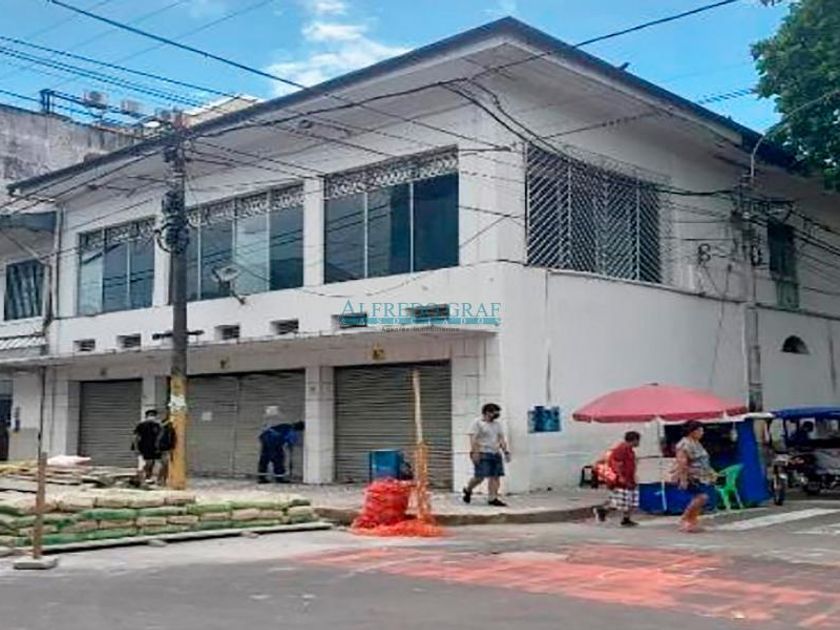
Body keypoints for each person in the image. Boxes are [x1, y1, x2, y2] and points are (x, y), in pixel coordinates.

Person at [462, 402, 511, 507]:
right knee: (480, 477)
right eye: (494, 412)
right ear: (487, 412)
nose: (496, 415)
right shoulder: (477, 423)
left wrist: (505, 451)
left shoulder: (497, 425)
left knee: (495, 476)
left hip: (495, 453)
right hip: (482, 453)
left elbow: (501, 439)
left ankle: (492, 498)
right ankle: (468, 489)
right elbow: (473, 439)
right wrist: (475, 452)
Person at [673, 420, 716, 533]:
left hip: (701, 475)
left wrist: (711, 472)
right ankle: (685, 519)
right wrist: (683, 479)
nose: (702, 433)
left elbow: (703, 460)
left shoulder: (696, 443)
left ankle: (692, 522)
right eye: (700, 430)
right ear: (692, 431)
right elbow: (682, 462)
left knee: (701, 498)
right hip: (691, 475)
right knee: (702, 497)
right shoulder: (684, 444)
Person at [594, 431, 641, 527]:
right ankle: (603, 510)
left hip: (629, 478)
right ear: (634, 440)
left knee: (630, 499)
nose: (638, 443)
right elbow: (616, 464)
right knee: (619, 501)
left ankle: (626, 519)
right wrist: (620, 477)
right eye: (638, 440)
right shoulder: (621, 449)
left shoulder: (630, 450)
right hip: (621, 480)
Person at [132, 409, 162, 485]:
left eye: (153, 415)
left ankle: (149, 479)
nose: (152, 417)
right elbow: (136, 437)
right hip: (143, 448)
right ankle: (140, 480)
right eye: (150, 415)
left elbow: (159, 437)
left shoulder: (157, 426)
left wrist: (159, 447)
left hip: (154, 449)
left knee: (153, 464)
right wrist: (136, 448)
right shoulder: (141, 425)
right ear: (146, 416)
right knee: (144, 464)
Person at [156, 413, 177, 486]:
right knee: (164, 465)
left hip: (167, 450)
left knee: (166, 466)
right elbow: (158, 441)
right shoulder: (162, 431)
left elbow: (173, 440)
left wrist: (172, 448)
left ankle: (163, 480)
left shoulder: (171, 430)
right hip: (163, 450)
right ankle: (160, 480)